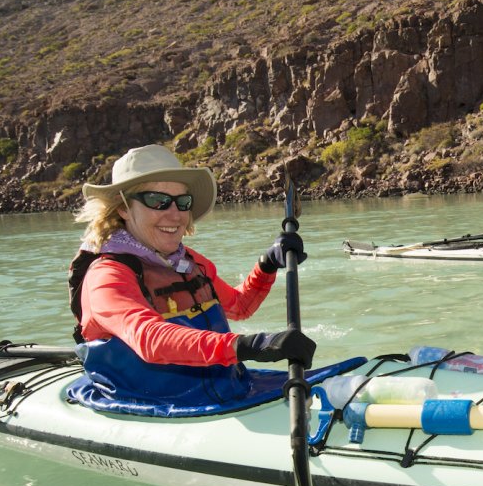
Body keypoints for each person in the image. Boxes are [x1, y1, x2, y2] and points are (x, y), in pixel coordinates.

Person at [65, 144, 315, 416]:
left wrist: (267, 265)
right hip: (149, 402)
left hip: (226, 388)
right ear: (123, 208)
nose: (175, 214)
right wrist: (249, 345)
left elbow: (240, 306)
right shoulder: (106, 276)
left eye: (183, 202)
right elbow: (151, 340)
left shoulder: (189, 262)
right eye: (157, 200)